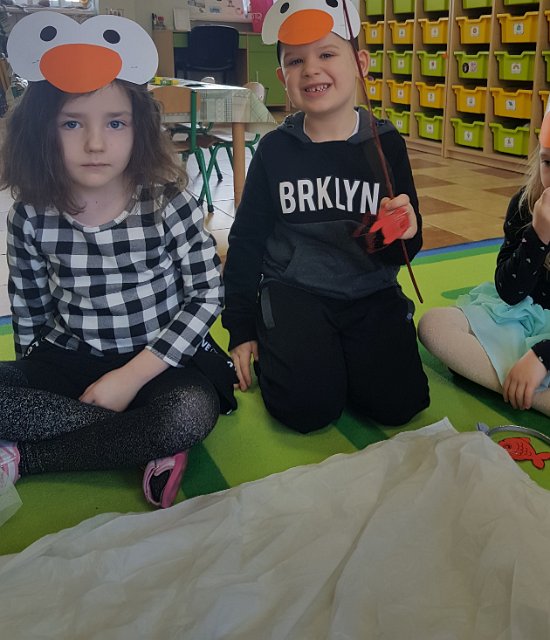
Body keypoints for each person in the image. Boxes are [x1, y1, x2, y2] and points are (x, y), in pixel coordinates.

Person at [0, 12, 230, 509]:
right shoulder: (30, 214)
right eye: (71, 123)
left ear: (138, 128)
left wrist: (129, 378)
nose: (95, 143)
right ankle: (138, 441)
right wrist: (33, 382)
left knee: (186, 415)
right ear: (42, 130)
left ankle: (28, 457)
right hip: (69, 359)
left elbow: (207, 294)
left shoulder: (167, 201)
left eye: (115, 122)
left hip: (160, 362)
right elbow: (30, 307)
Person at [221, 0, 429, 433]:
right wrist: (240, 328)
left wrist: (403, 231)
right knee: (305, 410)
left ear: (360, 64)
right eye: (296, 61)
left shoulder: (386, 143)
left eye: (327, 54)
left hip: (370, 291)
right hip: (295, 292)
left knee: (399, 405)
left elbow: (403, 252)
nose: (311, 70)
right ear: (283, 78)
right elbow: (246, 241)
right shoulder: (275, 151)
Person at [419, 134, 550, 416]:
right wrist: (539, 235)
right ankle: (527, 387)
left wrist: (542, 356)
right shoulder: (525, 204)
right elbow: (510, 292)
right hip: (519, 316)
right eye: (548, 163)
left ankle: (518, 382)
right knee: (434, 325)